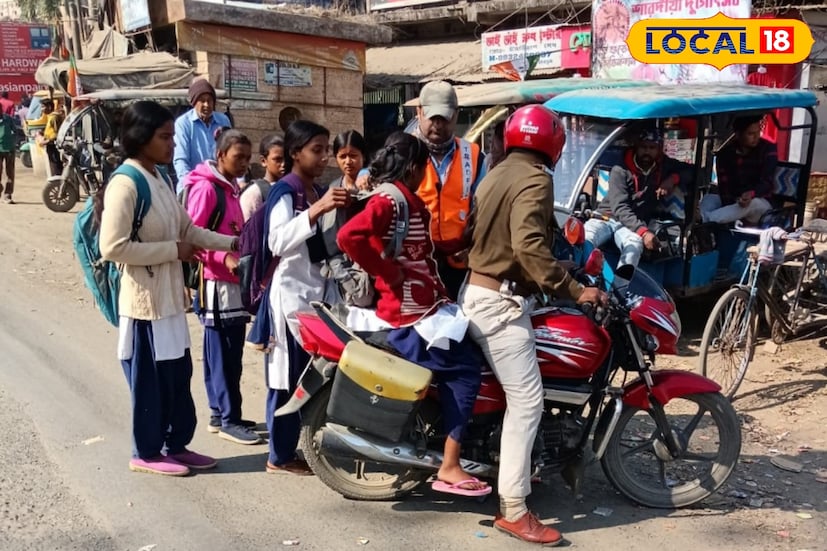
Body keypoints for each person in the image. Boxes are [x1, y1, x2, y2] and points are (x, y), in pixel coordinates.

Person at [459, 105, 605, 546]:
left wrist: (552, 268)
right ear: (554, 143)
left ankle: (516, 468)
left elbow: (493, 237)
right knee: (528, 401)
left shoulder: (497, 172)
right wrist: (575, 289)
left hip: (479, 290)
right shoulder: (537, 178)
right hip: (499, 304)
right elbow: (527, 243)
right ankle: (515, 509)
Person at [337, 131, 490, 497]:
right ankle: (450, 464)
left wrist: (460, 243)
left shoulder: (403, 199)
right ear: (416, 167)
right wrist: (387, 271)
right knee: (467, 372)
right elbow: (349, 237)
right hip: (411, 315)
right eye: (425, 167)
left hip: (424, 305)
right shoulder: (391, 201)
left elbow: (418, 246)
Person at [98, 100, 239, 476]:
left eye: (172, 137)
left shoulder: (158, 177)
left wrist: (231, 244)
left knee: (177, 378)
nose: (172, 145)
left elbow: (187, 229)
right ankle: (146, 451)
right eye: (164, 137)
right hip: (144, 306)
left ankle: (175, 445)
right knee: (150, 383)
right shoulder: (126, 183)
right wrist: (173, 251)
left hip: (170, 302)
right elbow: (111, 247)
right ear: (140, 137)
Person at [263, 120, 349, 475]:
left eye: (325, 149)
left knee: (305, 377)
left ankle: (294, 448)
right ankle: (278, 455)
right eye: (317, 150)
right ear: (296, 153)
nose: (324, 157)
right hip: (289, 298)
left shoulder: (312, 191)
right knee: (285, 378)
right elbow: (277, 242)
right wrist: (317, 211)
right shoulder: (287, 191)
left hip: (312, 297)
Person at [184, 129, 261, 445]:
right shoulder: (207, 189)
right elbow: (192, 234)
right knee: (222, 353)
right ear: (220, 156)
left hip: (232, 281)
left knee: (231, 352)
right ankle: (228, 418)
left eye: (246, 157)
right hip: (216, 282)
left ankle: (223, 413)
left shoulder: (230, 189)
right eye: (237, 157)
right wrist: (223, 258)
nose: (243, 163)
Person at [411, 80, 486, 301]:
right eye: (432, 117)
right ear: (419, 112)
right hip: (415, 264)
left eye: (444, 118)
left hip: (460, 264)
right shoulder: (403, 152)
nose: (437, 124)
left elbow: (482, 210)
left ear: (456, 115)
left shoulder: (473, 156)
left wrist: (472, 245)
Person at [585, 126, 691, 269]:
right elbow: (620, 208)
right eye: (643, 147)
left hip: (630, 225)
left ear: (658, 149)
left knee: (633, 248)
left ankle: (619, 289)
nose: (647, 152)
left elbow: (694, 171)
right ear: (636, 147)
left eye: (652, 148)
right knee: (585, 239)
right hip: (606, 218)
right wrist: (644, 232)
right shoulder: (620, 169)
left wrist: (673, 179)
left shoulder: (662, 165)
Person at [701, 115, 777, 225]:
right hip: (735, 201)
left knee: (753, 203)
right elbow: (724, 187)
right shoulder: (726, 154)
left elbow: (767, 182)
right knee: (709, 199)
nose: (756, 137)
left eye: (757, 132)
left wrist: (751, 194)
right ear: (738, 135)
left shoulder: (767, 149)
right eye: (750, 134)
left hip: (760, 203)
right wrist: (732, 202)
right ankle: (702, 230)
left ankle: (703, 221)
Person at [173, 79, 231, 192]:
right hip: (194, 186)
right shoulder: (183, 123)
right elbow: (181, 160)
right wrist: (189, 185)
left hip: (220, 185)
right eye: (202, 101)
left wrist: (239, 181)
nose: (207, 105)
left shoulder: (223, 120)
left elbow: (231, 153)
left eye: (210, 101)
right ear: (194, 102)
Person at [240, 133, 285, 223]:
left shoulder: (290, 188)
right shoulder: (254, 193)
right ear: (263, 161)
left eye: (286, 159)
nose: (283, 164)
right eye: (277, 160)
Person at [0, 110, 16, 204]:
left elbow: (15, 131)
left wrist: (12, 141)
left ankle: (8, 194)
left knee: (10, 173)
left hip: (9, 149)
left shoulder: (8, 119)